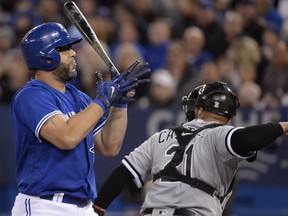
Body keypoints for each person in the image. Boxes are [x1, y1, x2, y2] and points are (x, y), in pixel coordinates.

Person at [10, 22, 150, 216]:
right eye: (65, 49)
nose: (73, 53)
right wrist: (102, 101)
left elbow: (109, 146)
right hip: (45, 206)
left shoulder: (79, 98)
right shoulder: (31, 95)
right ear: (45, 56)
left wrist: (119, 104)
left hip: (84, 206)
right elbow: (66, 137)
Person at [93, 81, 288, 216]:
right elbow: (245, 140)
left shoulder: (162, 136)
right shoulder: (220, 134)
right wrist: (281, 126)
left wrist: (98, 207)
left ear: (200, 110)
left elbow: (123, 174)